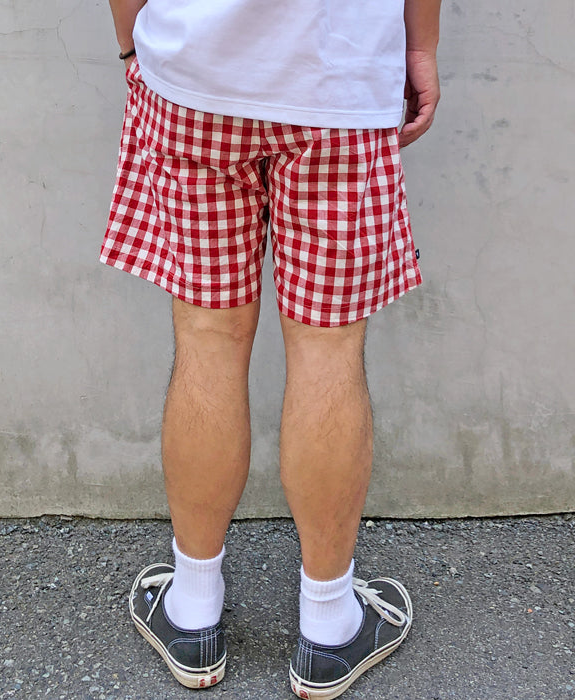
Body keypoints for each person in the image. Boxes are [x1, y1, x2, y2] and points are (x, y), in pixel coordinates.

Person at [101, 1, 441, 697]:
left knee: (208, 338)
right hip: (338, 83)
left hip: (193, 79)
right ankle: (329, 624)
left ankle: (193, 610)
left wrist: (135, 44)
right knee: (327, 347)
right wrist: (421, 48)